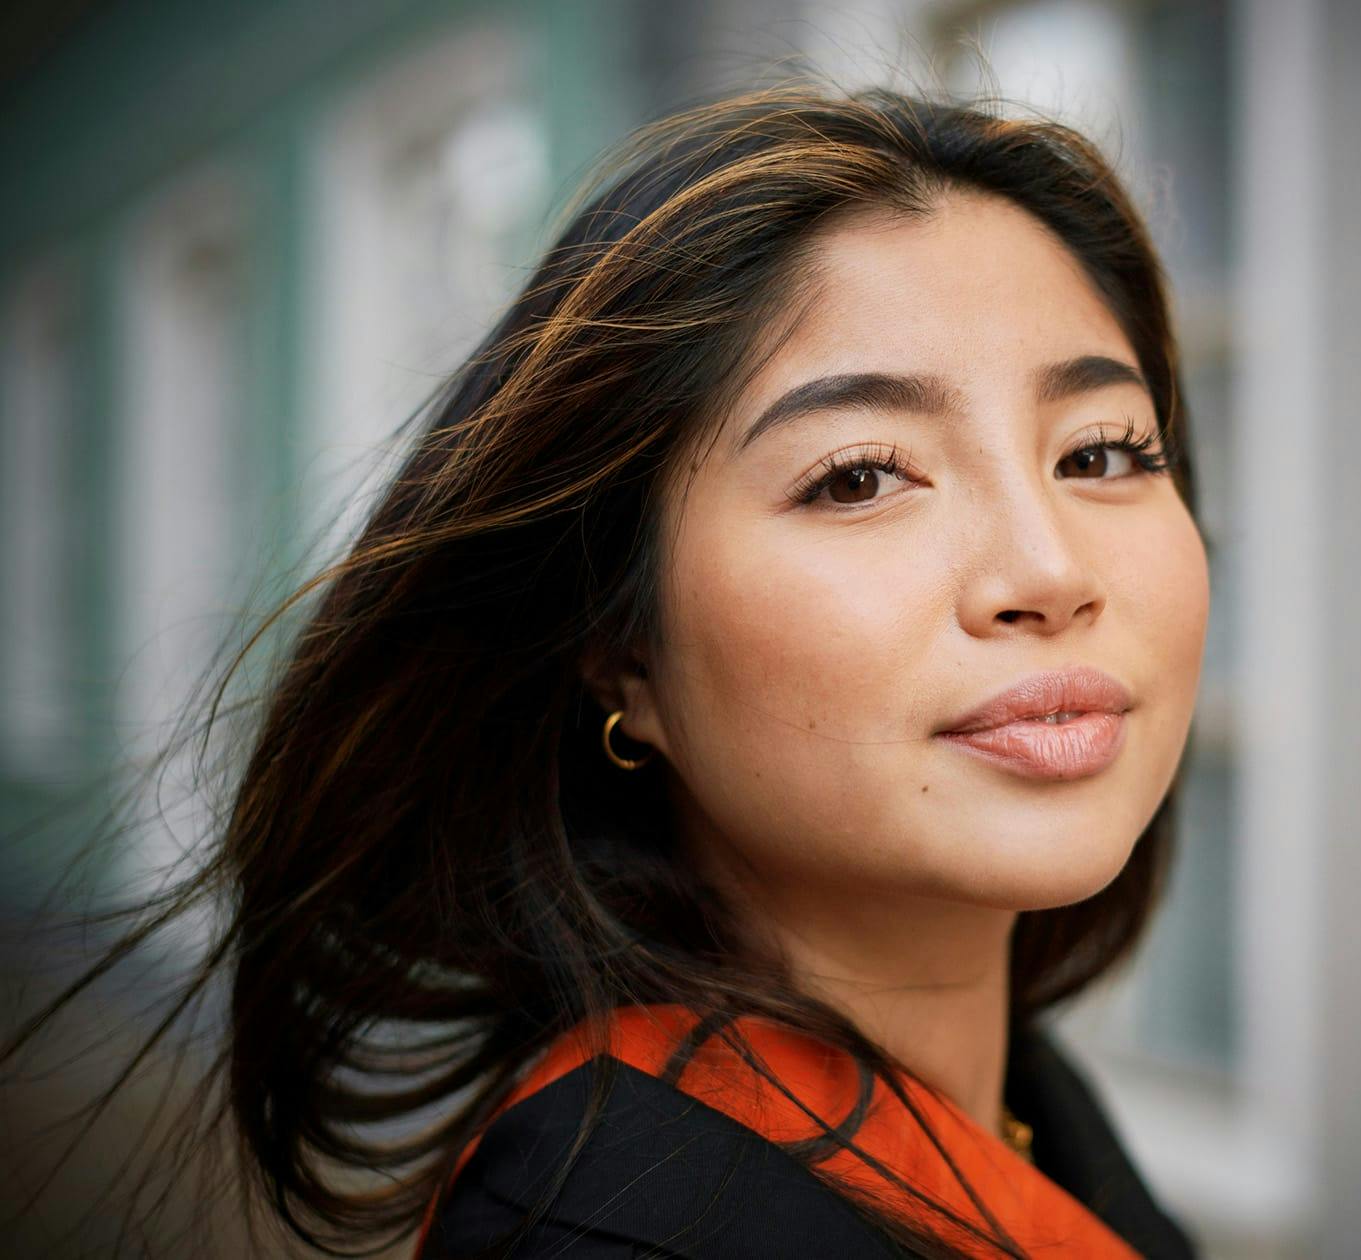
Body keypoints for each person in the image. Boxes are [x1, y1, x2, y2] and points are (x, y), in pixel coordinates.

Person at [10, 81, 1212, 1259]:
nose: (1048, 568)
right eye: (859, 475)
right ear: (622, 654)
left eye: (1102, 451)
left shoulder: (1021, 1108)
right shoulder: (612, 1223)